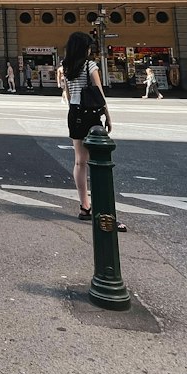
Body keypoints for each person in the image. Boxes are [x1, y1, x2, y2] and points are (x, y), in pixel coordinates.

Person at [60, 30, 125, 230]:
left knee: (79, 161)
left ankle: (84, 206)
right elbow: (99, 92)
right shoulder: (90, 66)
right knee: (98, 162)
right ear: (84, 48)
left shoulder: (66, 66)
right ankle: (102, 208)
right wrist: (108, 115)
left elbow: (69, 95)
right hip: (91, 115)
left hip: (74, 114)